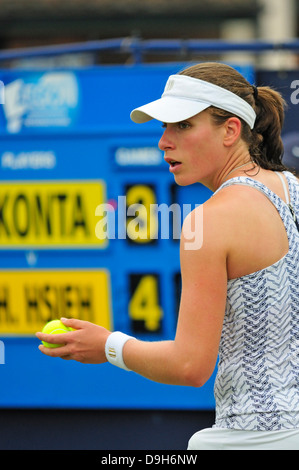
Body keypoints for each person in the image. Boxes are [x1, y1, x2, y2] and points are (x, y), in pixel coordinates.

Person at [36, 62, 299, 450]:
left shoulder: (207, 221)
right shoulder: (293, 186)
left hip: (255, 437)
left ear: (231, 131)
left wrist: (108, 346)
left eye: (183, 125)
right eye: (164, 126)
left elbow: (190, 366)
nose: (164, 141)